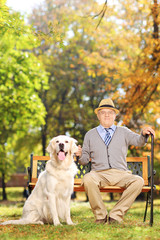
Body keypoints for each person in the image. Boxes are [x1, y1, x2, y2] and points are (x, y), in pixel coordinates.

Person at [76, 98, 155, 224]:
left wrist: (143, 134)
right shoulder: (90, 134)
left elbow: (139, 141)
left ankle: (115, 215)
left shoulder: (123, 131)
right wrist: (79, 155)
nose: (107, 115)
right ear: (98, 115)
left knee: (138, 181)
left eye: (110, 112)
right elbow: (84, 160)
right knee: (88, 178)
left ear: (114, 115)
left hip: (121, 173)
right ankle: (101, 216)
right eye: (103, 112)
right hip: (99, 173)